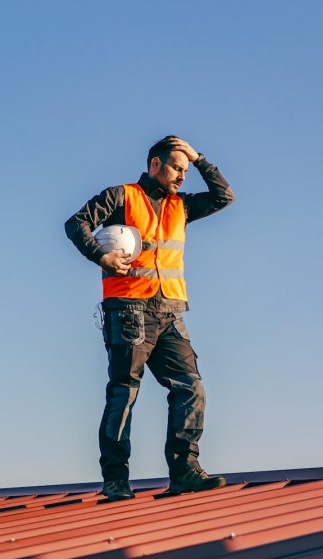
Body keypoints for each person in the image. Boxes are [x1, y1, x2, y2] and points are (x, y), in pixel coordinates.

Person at [64, 136, 235, 500]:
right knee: (124, 393)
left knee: (191, 387)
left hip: (171, 311)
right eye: (177, 167)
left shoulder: (182, 206)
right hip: (128, 311)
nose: (182, 176)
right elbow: (75, 223)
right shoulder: (121, 197)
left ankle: (184, 471)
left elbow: (224, 197)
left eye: (186, 170)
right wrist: (100, 256)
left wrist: (199, 157)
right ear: (154, 165)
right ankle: (115, 480)